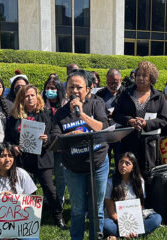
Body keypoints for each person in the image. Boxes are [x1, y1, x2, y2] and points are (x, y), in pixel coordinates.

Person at [52, 69, 109, 240]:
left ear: (88, 88)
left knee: (96, 208)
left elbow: (103, 127)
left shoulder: (96, 104)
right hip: (73, 168)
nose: (75, 91)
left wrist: (82, 114)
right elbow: (55, 138)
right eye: (71, 87)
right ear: (66, 89)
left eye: (79, 87)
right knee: (77, 210)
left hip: (97, 164)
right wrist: (69, 136)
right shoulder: (61, 112)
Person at [5, 84, 65, 228]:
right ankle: (27, 217)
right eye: (27, 96)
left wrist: (47, 139)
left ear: (37, 96)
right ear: (21, 99)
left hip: (42, 158)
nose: (30, 98)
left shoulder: (46, 113)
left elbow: (53, 133)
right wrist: (13, 147)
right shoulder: (14, 117)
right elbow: (7, 138)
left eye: (32, 95)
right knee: (24, 190)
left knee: (49, 189)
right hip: (22, 159)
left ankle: (58, 217)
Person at [113, 61, 167, 177]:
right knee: (128, 175)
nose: (140, 78)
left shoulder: (159, 96)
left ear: (151, 78)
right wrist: (129, 120)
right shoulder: (126, 93)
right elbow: (116, 115)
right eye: (138, 75)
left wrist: (146, 124)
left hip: (149, 145)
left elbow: (164, 120)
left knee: (147, 177)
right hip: (128, 141)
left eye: (144, 75)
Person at [103, 152, 162, 238]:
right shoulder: (110, 183)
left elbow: (140, 205)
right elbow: (111, 211)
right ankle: (132, 234)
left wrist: (134, 224)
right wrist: (124, 225)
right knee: (105, 223)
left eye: (127, 163)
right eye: (121, 162)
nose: (123, 165)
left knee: (157, 218)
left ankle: (129, 234)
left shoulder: (140, 182)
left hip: (135, 219)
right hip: (116, 220)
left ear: (133, 167)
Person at [42, 75, 68, 229]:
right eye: (48, 88)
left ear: (59, 90)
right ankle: (47, 200)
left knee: (60, 174)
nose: (50, 91)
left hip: (60, 146)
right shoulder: (41, 104)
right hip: (44, 147)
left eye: (53, 88)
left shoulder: (65, 105)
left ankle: (59, 199)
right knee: (46, 176)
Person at [96, 68, 124, 161]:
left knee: (120, 157)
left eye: (115, 82)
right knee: (104, 158)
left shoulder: (126, 93)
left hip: (121, 131)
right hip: (105, 131)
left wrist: (117, 113)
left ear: (121, 80)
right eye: (109, 83)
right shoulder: (100, 94)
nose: (112, 85)